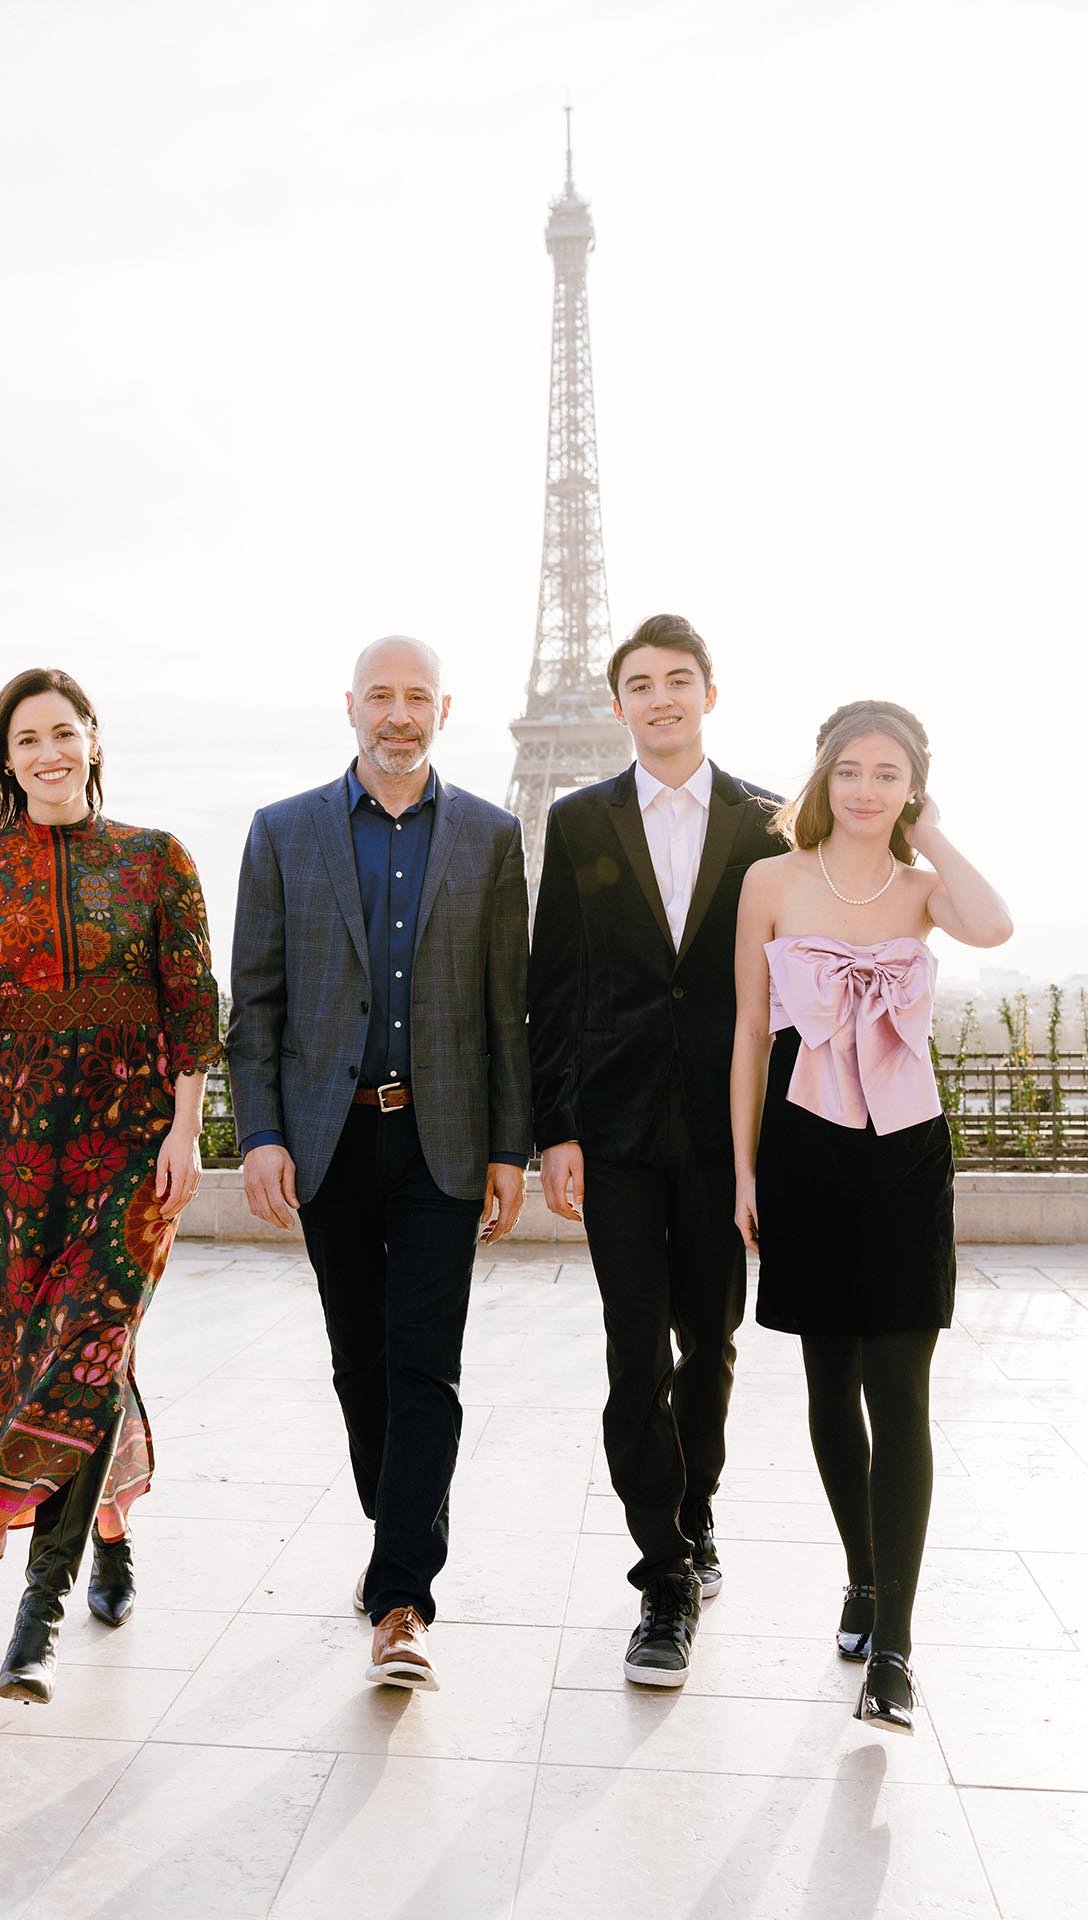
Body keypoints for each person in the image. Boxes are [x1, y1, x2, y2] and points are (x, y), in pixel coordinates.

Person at [0, 667, 221, 1705]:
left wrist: (186, 1131)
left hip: (128, 1145)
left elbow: (189, 1006)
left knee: (90, 1336)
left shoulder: (156, 860)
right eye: (26, 738)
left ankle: (36, 1616)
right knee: (50, 1347)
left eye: (63, 732)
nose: (47, 751)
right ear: (6, 758)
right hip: (16, 1145)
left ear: (93, 741)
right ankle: (111, 1527)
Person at [228, 635, 530, 1692]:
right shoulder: (280, 834)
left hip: (441, 1136)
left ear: (444, 709)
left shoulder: (491, 839)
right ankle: (400, 1513)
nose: (397, 714)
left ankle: (402, 1595)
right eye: (379, 697)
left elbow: (505, 1008)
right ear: (349, 706)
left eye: (417, 698)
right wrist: (259, 1133)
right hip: (330, 1135)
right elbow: (253, 1007)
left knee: (425, 1365)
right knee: (359, 1360)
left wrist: (508, 1147)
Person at [731, 700, 1012, 1733]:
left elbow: (993, 927)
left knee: (900, 1388)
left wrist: (926, 829)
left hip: (904, 1153)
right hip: (803, 1151)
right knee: (826, 1377)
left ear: (910, 784)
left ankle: (892, 1644)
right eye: (847, 769)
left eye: (886, 774)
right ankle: (859, 1573)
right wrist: (741, 1172)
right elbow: (749, 1034)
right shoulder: (770, 881)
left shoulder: (922, 891)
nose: (863, 789)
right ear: (819, 773)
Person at [529, 612, 782, 1688]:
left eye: (678, 680)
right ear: (618, 702)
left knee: (709, 1346)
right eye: (639, 683)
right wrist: (554, 1129)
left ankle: (695, 1508)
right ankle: (661, 1576)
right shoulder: (577, 820)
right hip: (617, 1127)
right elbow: (554, 983)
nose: (660, 698)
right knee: (633, 1351)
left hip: (725, 1132)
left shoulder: (770, 820)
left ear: (707, 695)